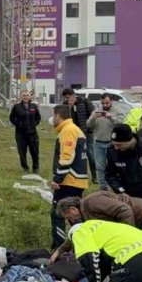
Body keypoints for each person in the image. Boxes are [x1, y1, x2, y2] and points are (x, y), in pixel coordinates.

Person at [49, 104, 89, 248]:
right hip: (77, 180)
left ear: (59, 116)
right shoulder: (75, 129)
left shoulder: (68, 130)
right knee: (75, 216)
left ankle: (58, 247)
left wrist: (57, 179)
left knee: (58, 214)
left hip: (69, 181)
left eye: (54, 116)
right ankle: (81, 245)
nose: (53, 119)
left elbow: (67, 157)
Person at [62, 88, 96, 184]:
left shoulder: (84, 101)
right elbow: (64, 118)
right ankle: (76, 174)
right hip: (73, 134)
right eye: (65, 98)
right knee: (74, 155)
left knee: (90, 154)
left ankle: (94, 176)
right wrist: (69, 107)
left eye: (68, 97)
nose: (67, 99)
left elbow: (93, 114)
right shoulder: (65, 104)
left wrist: (89, 127)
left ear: (73, 95)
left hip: (86, 133)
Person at [88, 93, 120, 190]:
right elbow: (89, 125)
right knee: (100, 167)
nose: (105, 105)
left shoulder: (117, 111)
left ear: (111, 101)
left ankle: (116, 186)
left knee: (114, 166)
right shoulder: (96, 112)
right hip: (98, 143)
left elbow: (122, 125)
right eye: (103, 103)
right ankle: (104, 187)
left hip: (113, 144)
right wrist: (93, 118)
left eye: (107, 103)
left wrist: (111, 117)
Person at [9, 89, 41, 174]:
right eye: (24, 96)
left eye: (27, 95)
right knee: (22, 152)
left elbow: (38, 118)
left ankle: (36, 168)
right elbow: (11, 118)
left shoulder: (34, 106)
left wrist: (34, 124)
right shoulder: (17, 107)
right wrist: (18, 124)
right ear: (21, 97)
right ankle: (25, 168)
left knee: (35, 151)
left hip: (32, 133)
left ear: (30, 96)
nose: (25, 97)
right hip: (21, 134)